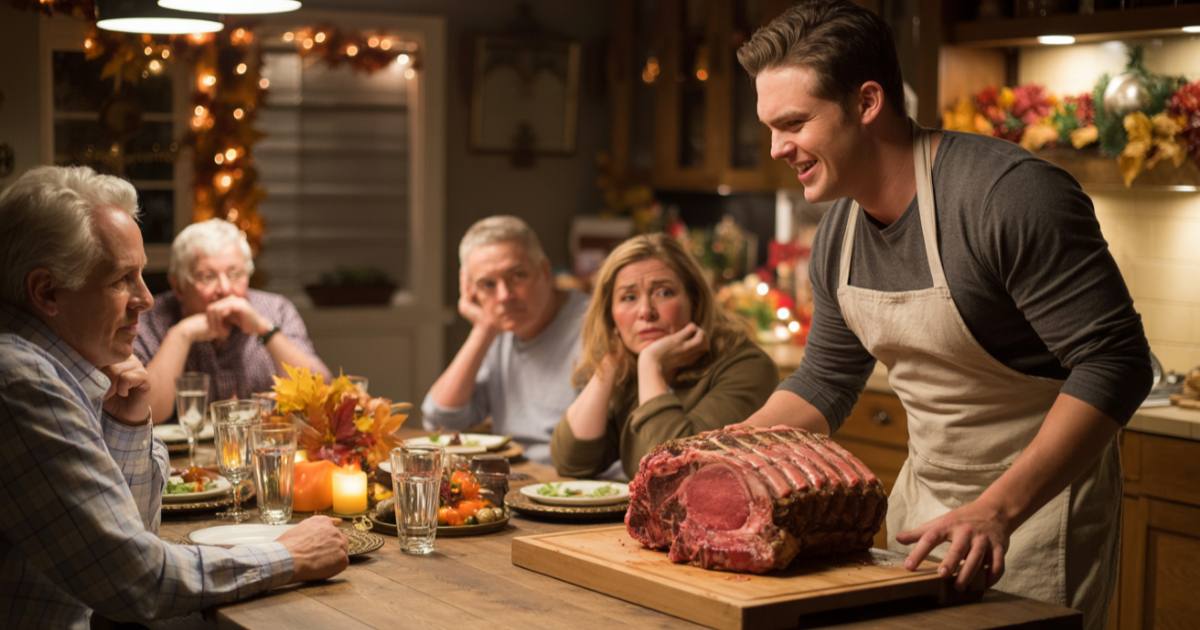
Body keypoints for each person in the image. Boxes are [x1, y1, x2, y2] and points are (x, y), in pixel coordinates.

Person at [733, 3, 1152, 629]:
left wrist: (999, 510)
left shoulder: (1008, 196)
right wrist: (723, 453)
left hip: (1034, 511)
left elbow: (1117, 363)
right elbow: (823, 382)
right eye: (770, 127)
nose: (776, 148)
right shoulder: (839, 233)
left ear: (868, 102)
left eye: (793, 122)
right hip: (920, 508)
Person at [0, 166, 348, 629]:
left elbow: (134, 534)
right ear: (47, 291)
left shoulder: (60, 370)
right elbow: (137, 579)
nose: (144, 299)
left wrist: (127, 422)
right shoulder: (22, 381)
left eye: (143, 275)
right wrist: (287, 555)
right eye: (123, 279)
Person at [551, 234, 778, 480]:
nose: (646, 311)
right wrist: (610, 361)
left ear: (695, 301)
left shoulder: (749, 367)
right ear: (610, 315)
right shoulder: (627, 364)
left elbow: (672, 475)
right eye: (628, 297)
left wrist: (651, 365)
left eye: (663, 293)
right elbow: (571, 462)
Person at [422, 216, 590, 465]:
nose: (504, 296)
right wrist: (484, 329)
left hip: (576, 488)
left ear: (545, 271)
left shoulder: (593, 325)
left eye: (518, 276)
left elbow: (589, 453)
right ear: (470, 290)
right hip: (516, 481)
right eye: (487, 284)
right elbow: (441, 421)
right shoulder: (499, 331)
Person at [134, 218, 332, 423]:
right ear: (179, 287)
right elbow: (146, 413)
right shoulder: (147, 319)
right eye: (208, 277)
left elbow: (321, 395)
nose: (225, 289)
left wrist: (265, 330)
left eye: (235, 274)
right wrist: (182, 334)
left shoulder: (277, 310)